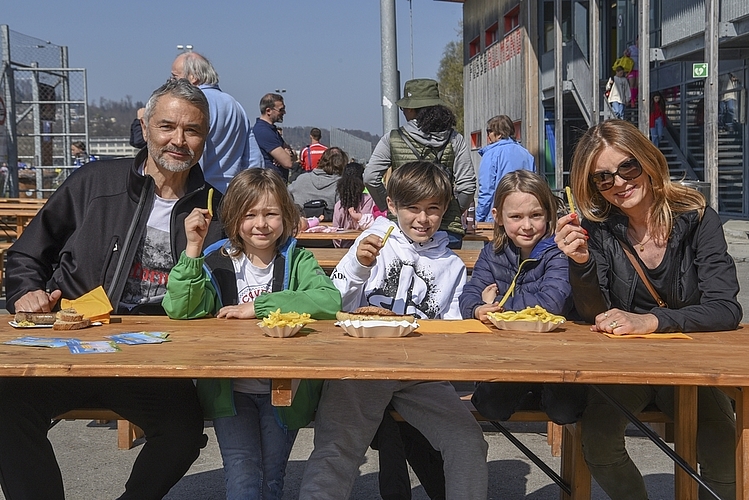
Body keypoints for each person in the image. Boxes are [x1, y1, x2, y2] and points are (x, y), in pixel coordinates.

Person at [0, 78, 224, 500]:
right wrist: (26, 292)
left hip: (152, 356)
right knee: (5, 412)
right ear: (145, 127)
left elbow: (231, 288)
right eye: (167, 127)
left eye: (191, 130)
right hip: (71, 346)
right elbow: (28, 253)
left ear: (204, 138)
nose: (178, 140)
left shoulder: (216, 206)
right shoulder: (93, 182)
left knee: (183, 434)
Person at [555, 119, 741, 500]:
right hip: (626, 366)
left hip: (689, 364)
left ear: (648, 160)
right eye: (603, 178)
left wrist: (652, 320)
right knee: (600, 440)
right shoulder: (600, 228)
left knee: (723, 448)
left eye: (628, 167)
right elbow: (595, 313)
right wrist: (580, 262)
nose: (619, 183)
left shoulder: (698, 217)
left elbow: (725, 308)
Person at [299, 161, 489, 499]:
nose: (423, 218)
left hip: (421, 374)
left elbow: (452, 328)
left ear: (445, 209)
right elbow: (333, 303)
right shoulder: (371, 244)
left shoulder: (452, 265)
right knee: (337, 450)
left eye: (433, 209)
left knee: (469, 442)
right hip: (361, 369)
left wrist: (479, 309)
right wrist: (358, 265)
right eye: (412, 208)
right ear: (392, 206)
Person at [163, 167, 341, 500]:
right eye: (250, 214)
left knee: (272, 478)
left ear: (285, 216)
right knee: (243, 474)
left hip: (286, 389)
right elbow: (181, 309)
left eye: (271, 213)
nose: (261, 223)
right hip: (231, 391)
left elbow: (329, 300)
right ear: (232, 217)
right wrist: (191, 250)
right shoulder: (215, 260)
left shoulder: (297, 259)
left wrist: (259, 305)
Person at [460, 170, 585, 424]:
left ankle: (541, 392)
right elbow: (469, 295)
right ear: (498, 217)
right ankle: (527, 390)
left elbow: (553, 304)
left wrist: (496, 306)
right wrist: (476, 308)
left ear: (548, 214)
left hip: (556, 358)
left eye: (536, 215)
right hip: (509, 357)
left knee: (565, 411)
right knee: (489, 406)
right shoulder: (492, 252)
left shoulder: (560, 251)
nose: (527, 226)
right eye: (515, 217)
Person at [364, 78, 476, 249]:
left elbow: (370, 177)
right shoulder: (455, 139)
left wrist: (392, 207)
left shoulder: (393, 139)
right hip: (446, 230)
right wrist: (448, 209)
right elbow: (467, 186)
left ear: (410, 109)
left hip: (403, 228)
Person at [170, 51, 252, 193]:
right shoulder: (236, 106)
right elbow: (253, 158)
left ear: (193, 77)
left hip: (201, 195)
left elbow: (193, 154)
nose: (171, 83)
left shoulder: (194, 104)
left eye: (174, 77)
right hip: (233, 194)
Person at [475, 115, 536, 222]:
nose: (488, 135)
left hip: (498, 216)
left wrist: (478, 217)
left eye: (489, 131)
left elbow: (487, 190)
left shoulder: (491, 155)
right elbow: (534, 186)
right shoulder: (526, 154)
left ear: (499, 134)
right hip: (523, 214)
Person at [288, 146, 348, 222]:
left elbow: (285, 195)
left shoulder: (302, 179)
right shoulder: (341, 184)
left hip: (302, 225)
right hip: (330, 226)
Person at [254, 93, 297, 182]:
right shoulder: (264, 131)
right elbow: (288, 163)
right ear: (268, 111)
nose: (284, 112)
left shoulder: (272, 130)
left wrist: (287, 153)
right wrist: (285, 155)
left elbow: (293, 157)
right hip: (270, 184)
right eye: (281, 110)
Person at [331, 162, 377, 247]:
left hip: (344, 247)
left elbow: (335, 233)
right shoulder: (371, 200)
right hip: (367, 246)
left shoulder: (339, 205)